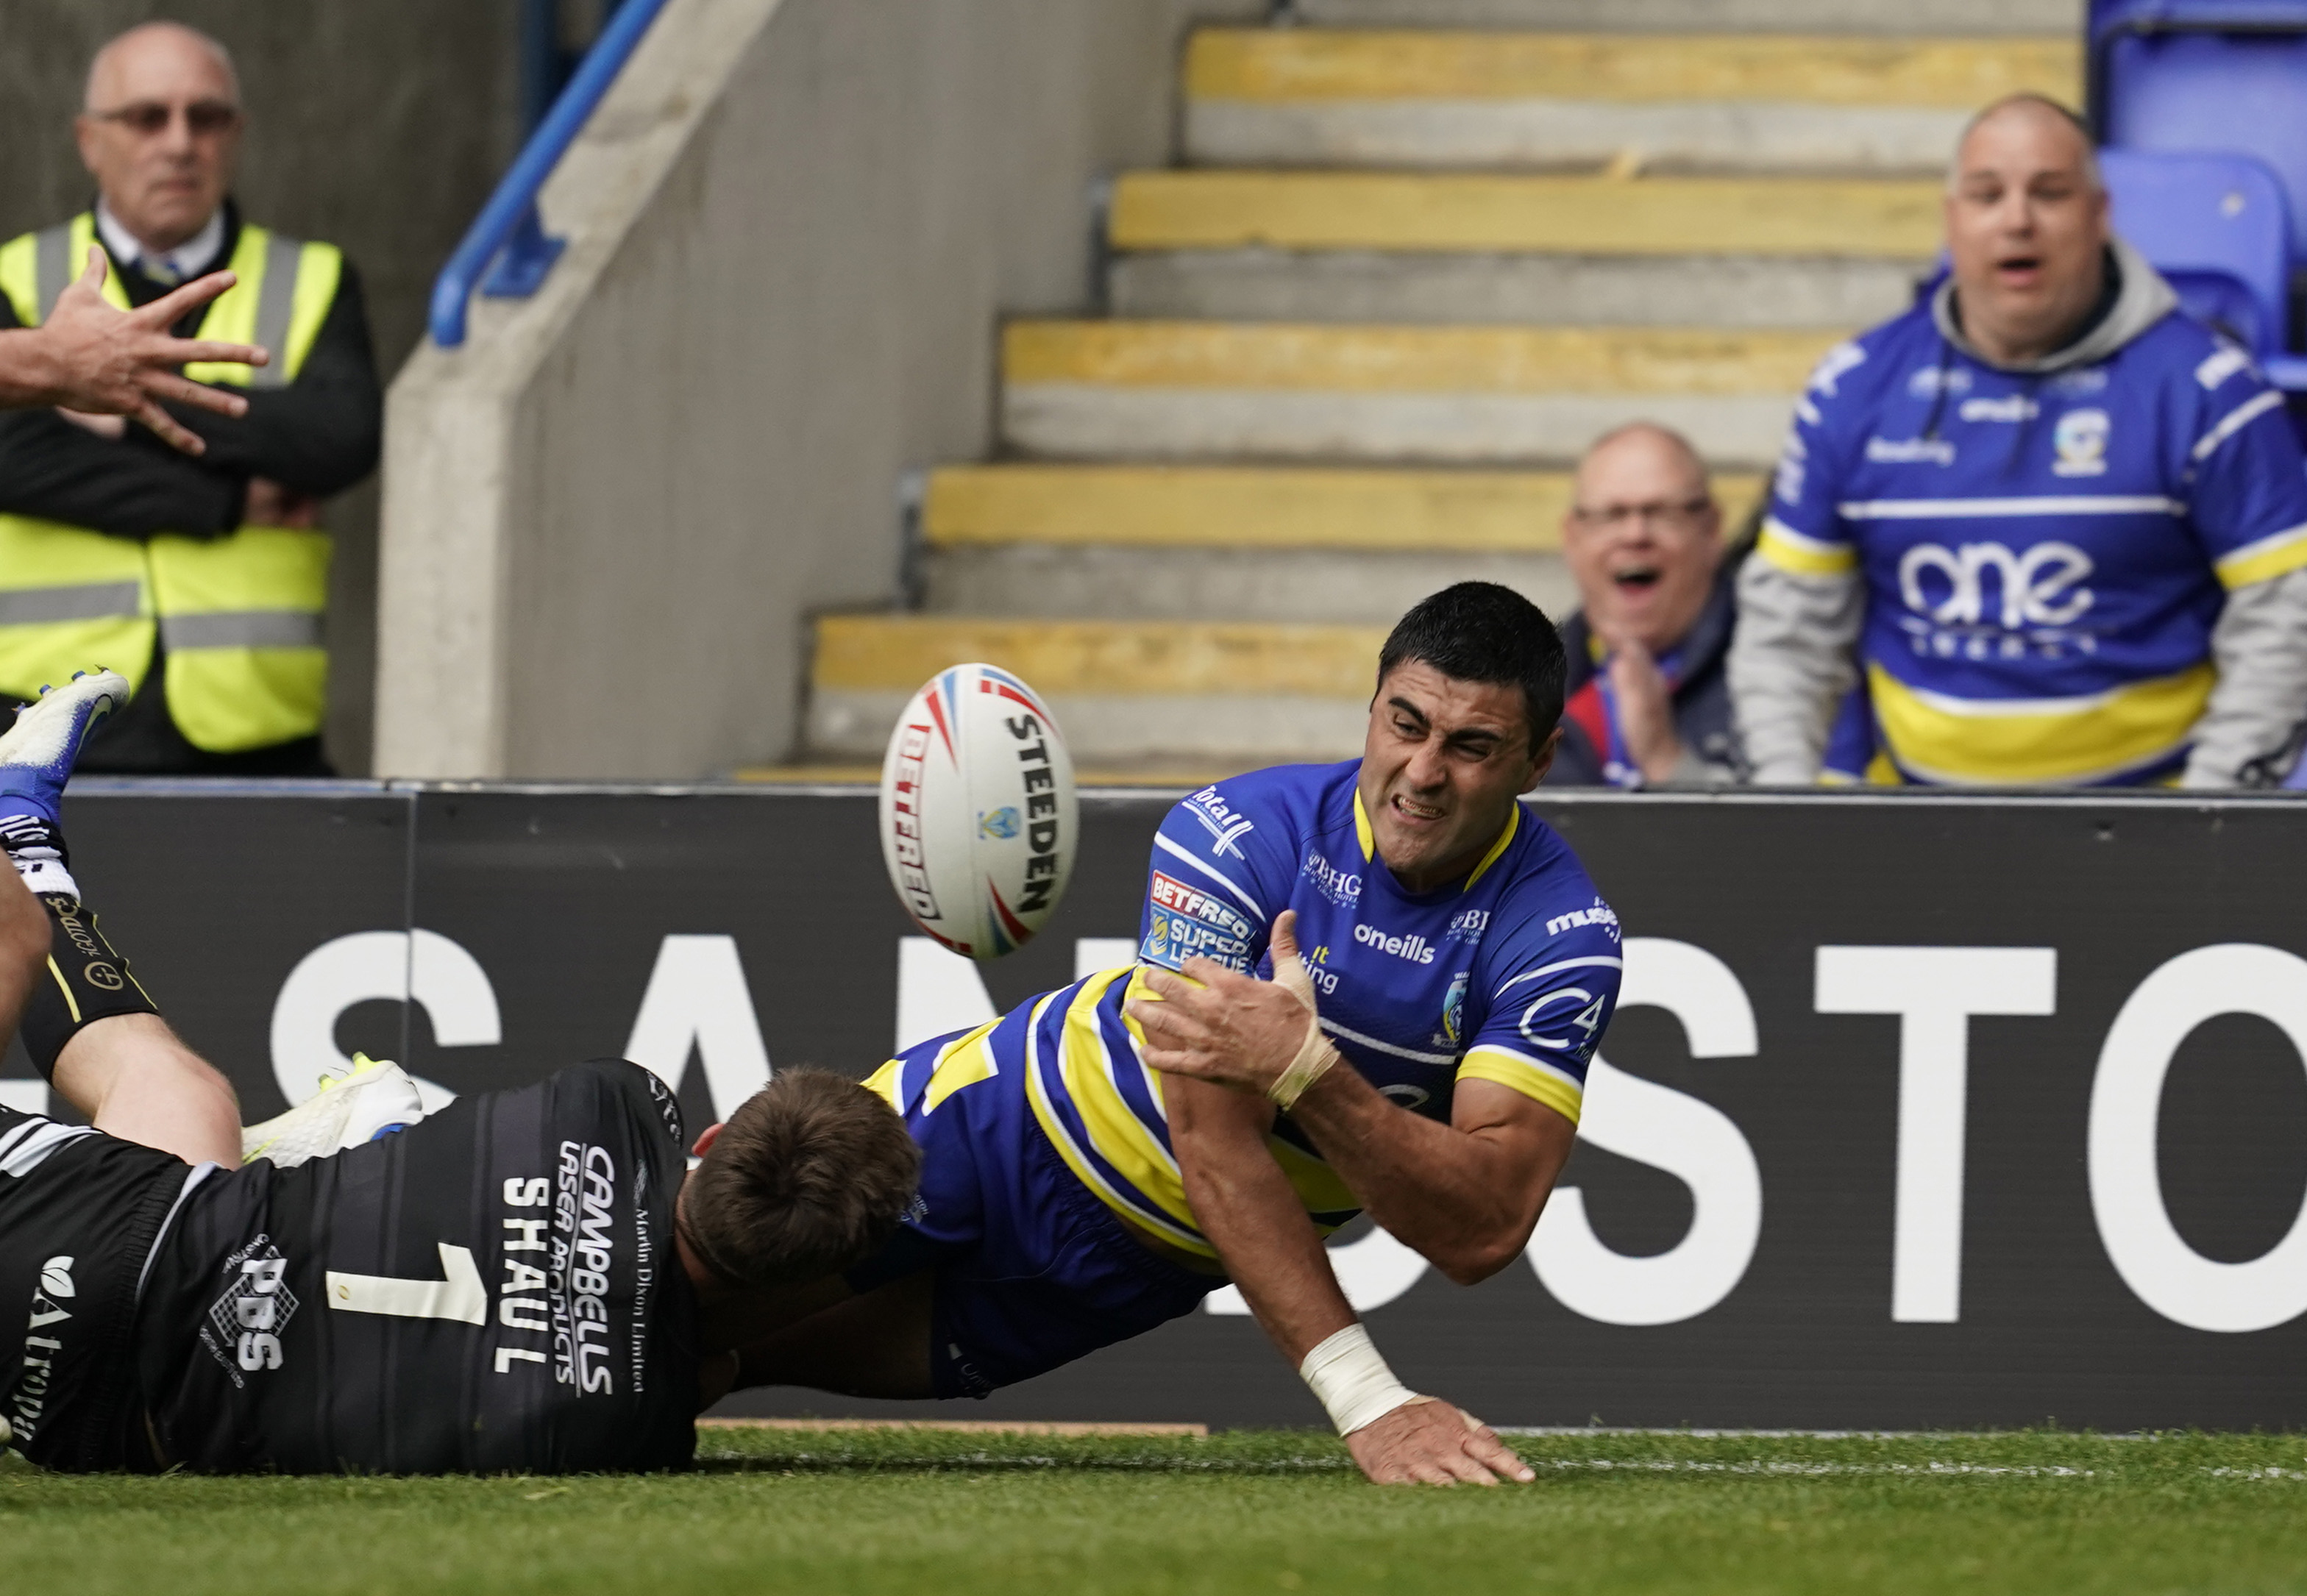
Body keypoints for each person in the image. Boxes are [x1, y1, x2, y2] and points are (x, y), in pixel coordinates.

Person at [736, 583, 1624, 1487]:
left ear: (1537, 760)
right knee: (677, 1305)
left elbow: (1483, 1231)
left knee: (712, 1367)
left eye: (1471, 746)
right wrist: (1369, 1399)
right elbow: (1211, 1142)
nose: (1423, 771)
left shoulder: (1559, 938)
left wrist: (1307, 1071)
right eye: (1405, 724)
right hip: (995, 1128)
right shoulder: (1241, 833)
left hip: (1125, 1275)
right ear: (1372, 707)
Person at [0, 675, 923, 1473]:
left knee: (19, 937)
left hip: (114, 1237)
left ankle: (21, 832)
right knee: (182, 1104)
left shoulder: (613, 1106)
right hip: (101, 1419)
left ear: (713, 1138)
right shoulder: (633, 1425)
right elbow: (695, 1357)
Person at [1730, 93, 2307, 788]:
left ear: (2100, 215)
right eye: (1987, 195)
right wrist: (1784, 804)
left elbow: (2288, 617)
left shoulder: (2210, 389)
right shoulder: (1853, 389)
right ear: (1951, 220)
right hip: (1910, 819)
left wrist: (2209, 816)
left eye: (2050, 193)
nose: (2017, 220)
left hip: (2158, 818)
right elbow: (1787, 635)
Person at [0, 21, 383, 776]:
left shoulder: (313, 276)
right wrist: (227, 501)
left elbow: (337, 438)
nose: (179, 143)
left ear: (235, 135)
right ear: (89, 140)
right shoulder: (15, 275)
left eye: (205, 118)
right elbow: (15, 459)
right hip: (43, 729)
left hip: (258, 733)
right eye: (147, 118)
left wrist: (117, 410)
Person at [1551, 423, 1742, 787]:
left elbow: (1795, 822)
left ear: (1712, 531)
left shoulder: (1783, 669)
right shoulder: (1522, 689)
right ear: (1572, 539)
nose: (1635, 534)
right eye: (1611, 515)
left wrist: (1667, 761)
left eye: (1661, 513)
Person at [0, 250, 266, 449]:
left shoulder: (286, 266)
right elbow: (16, 454)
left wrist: (123, 420)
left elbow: (294, 434)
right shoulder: (13, 268)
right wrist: (232, 497)